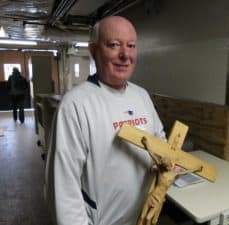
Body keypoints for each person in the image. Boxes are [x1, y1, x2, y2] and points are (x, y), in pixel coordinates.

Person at [44, 16, 165, 225]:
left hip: (144, 217)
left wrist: (164, 161)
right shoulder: (76, 105)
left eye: (131, 46)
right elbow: (63, 189)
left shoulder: (142, 96)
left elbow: (159, 140)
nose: (125, 54)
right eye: (113, 45)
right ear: (94, 51)